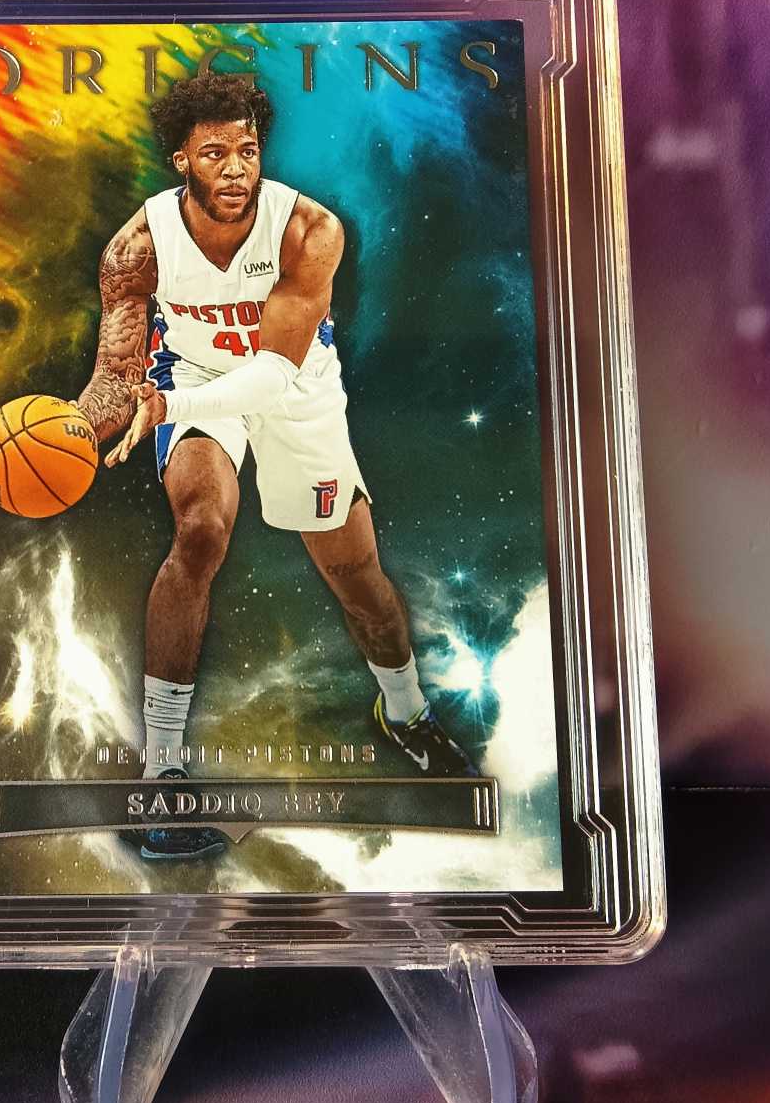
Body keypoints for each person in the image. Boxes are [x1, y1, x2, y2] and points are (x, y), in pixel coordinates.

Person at [76, 73, 477, 861]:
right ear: (180, 161)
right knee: (199, 531)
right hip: (192, 377)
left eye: (248, 150)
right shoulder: (137, 247)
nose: (235, 168)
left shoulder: (309, 231)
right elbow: (116, 377)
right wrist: (67, 430)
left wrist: (169, 405)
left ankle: (404, 710)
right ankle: (161, 770)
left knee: (356, 576)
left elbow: (270, 376)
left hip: (294, 389)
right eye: (214, 153)